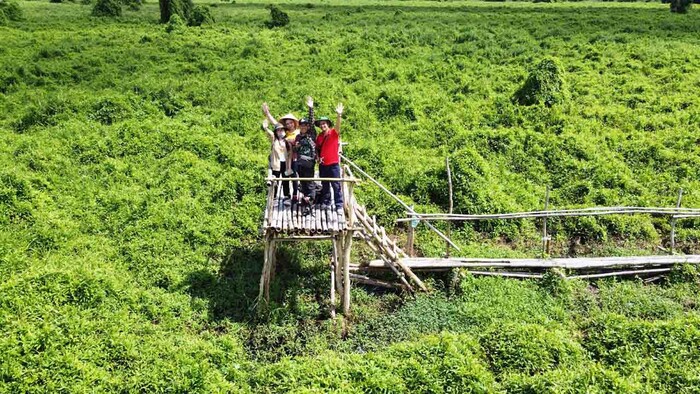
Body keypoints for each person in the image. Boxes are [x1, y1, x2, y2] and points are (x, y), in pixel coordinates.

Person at [315, 103, 344, 212]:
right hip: (323, 165)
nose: (322, 126)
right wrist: (318, 158)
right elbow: (317, 149)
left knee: (336, 185)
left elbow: (338, 126)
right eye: (321, 124)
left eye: (324, 124)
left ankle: (339, 205)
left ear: (328, 124)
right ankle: (326, 202)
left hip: (333, 164)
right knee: (325, 185)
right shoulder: (319, 136)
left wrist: (339, 115)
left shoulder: (333, 133)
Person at [295, 97, 318, 212]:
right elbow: (295, 149)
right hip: (300, 162)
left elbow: (312, 121)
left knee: (309, 181)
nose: (303, 126)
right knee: (302, 181)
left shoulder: (311, 134)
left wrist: (310, 108)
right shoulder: (298, 136)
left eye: (305, 125)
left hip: (309, 161)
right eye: (301, 125)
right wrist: (296, 147)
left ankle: (311, 200)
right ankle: (305, 199)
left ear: (308, 126)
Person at [262, 120, 293, 202]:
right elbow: (271, 134)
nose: (280, 132)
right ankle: (274, 197)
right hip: (276, 164)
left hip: (285, 164)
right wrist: (266, 128)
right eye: (278, 130)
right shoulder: (274, 140)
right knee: (275, 181)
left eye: (282, 130)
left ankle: (286, 196)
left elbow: (290, 155)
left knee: (285, 180)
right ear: (276, 132)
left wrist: (289, 167)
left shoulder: (288, 141)